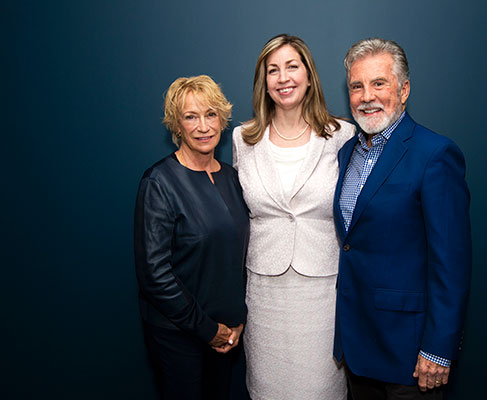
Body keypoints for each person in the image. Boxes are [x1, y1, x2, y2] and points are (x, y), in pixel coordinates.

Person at [333, 38, 472, 399]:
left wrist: (438, 348)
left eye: (379, 83)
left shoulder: (434, 154)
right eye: (357, 86)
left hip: (410, 355)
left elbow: (451, 263)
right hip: (358, 348)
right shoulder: (347, 152)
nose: (367, 96)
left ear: (404, 89)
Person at [232, 34, 355, 400]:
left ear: (308, 75)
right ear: (263, 81)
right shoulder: (243, 139)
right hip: (265, 294)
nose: (283, 78)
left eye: (292, 66)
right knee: (267, 389)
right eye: (273, 70)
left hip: (322, 292)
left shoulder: (341, 134)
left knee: (321, 389)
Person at [134, 75, 249, 400]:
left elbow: (238, 257)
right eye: (191, 116)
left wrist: (235, 321)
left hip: (227, 334)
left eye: (210, 114)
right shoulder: (159, 182)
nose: (203, 126)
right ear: (177, 124)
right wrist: (208, 330)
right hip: (177, 336)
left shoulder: (232, 178)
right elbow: (154, 276)